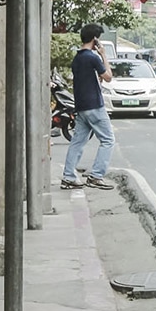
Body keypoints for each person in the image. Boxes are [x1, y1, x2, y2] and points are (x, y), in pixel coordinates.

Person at [62, 23, 116, 190]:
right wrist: (104, 55)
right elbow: (108, 77)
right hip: (94, 105)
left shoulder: (77, 58)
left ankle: (68, 176)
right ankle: (96, 176)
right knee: (108, 140)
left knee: (77, 142)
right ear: (95, 40)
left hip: (81, 106)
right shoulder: (92, 57)